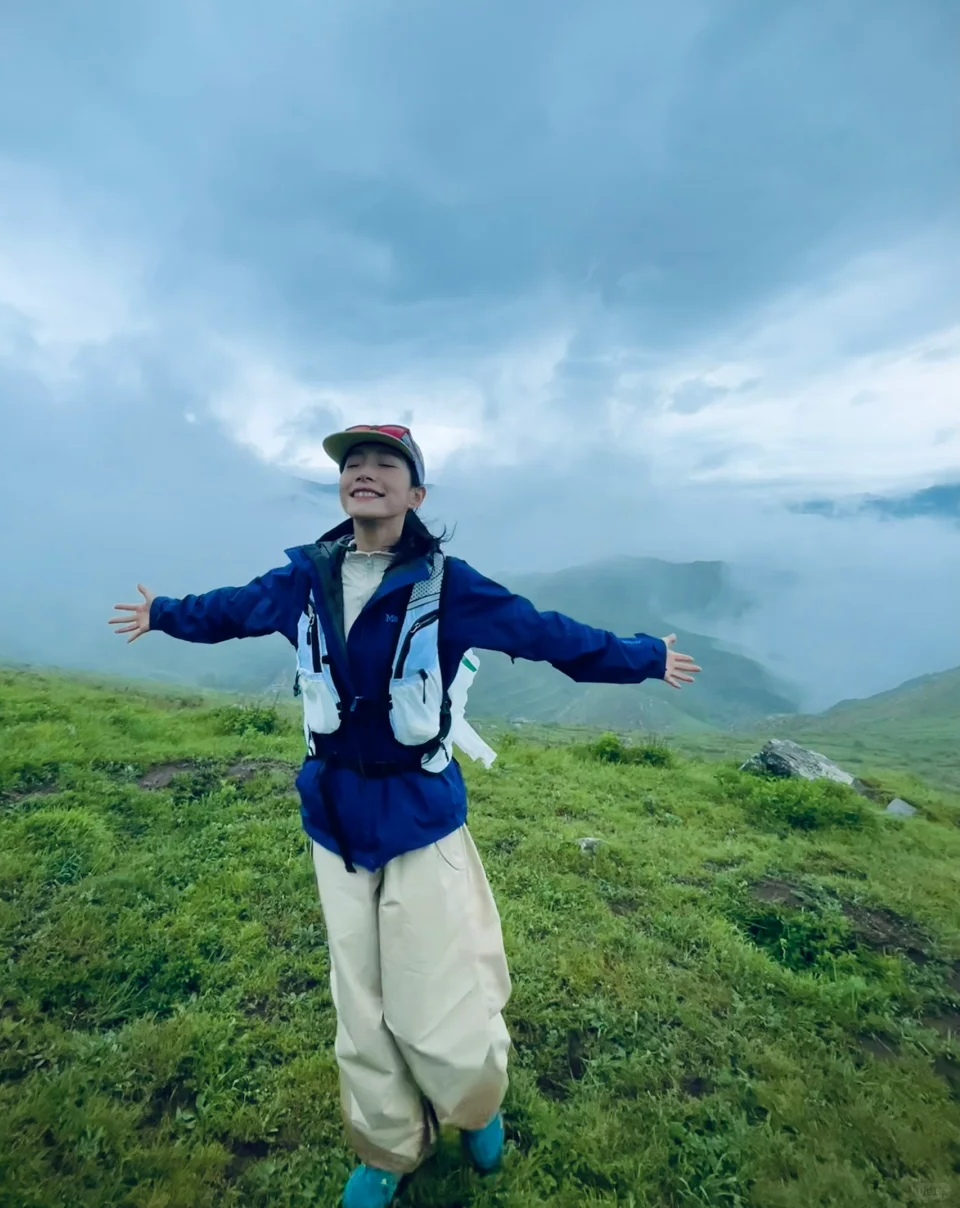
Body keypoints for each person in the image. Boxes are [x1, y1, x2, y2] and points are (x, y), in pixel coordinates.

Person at [110, 424, 700, 1208]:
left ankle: (475, 1107)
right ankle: (386, 1147)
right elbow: (232, 610)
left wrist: (644, 657)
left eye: (385, 464)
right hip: (335, 818)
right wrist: (165, 614)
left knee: (439, 992)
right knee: (360, 1000)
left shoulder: (449, 584)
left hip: (420, 816)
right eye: (353, 464)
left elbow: (547, 634)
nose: (364, 472)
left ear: (415, 495)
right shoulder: (304, 578)